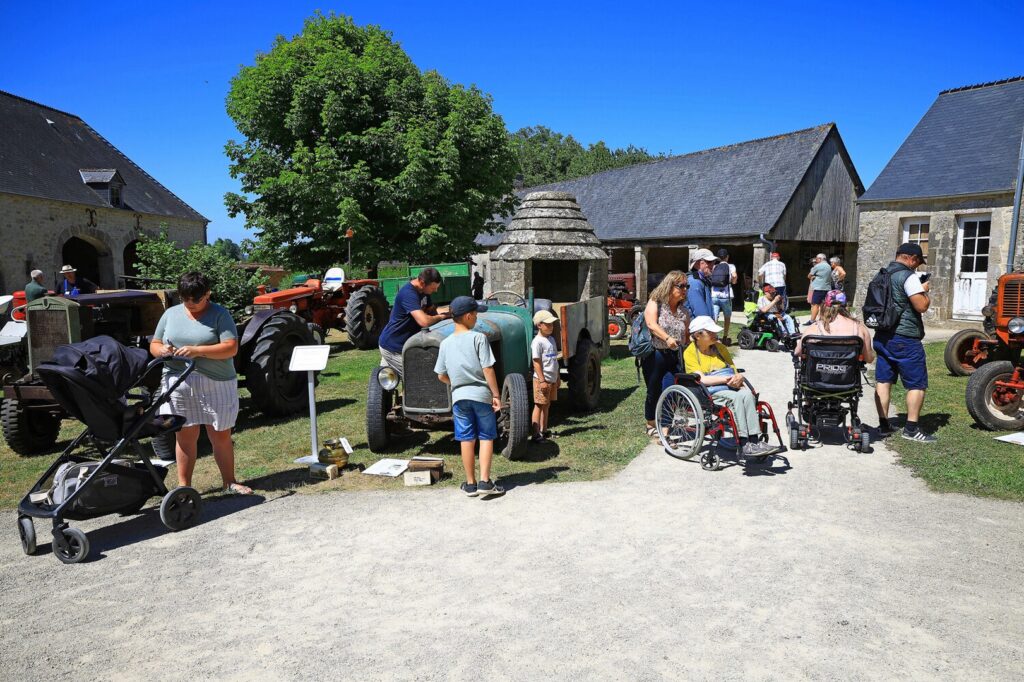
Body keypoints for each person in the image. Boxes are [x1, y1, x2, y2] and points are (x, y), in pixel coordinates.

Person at [150, 271, 252, 495]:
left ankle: (229, 482)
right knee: (184, 435)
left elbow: (231, 348)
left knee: (220, 435)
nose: (191, 303)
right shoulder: (170, 314)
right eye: (185, 298)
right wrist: (162, 350)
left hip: (216, 382)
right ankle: (183, 487)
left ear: (208, 294)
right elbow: (154, 344)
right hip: (179, 382)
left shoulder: (220, 314)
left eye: (196, 299)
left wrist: (198, 351)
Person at [434, 296, 504, 498]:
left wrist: (456, 383)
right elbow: (488, 369)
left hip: (459, 398)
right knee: (486, 436)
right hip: (481, 395)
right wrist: (496, 394)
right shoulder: (478, 338)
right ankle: (485, 481)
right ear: (467, 316)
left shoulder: (445, 343)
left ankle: (470, 484)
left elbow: (440, 375)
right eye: (475, 314)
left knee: (465, 438)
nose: (476, 317)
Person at [683, 316, 776, 457]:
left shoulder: (720, 348)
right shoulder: (690, 353)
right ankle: (744, 443)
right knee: (736, 398)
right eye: (710, 332)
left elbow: (733, 369)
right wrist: (726, 379)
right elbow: (702, 379)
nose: (715, 334)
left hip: (729, 386)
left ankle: (754, 441)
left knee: (747, 395)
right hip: (709, 391)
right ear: (697, 336)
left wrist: (738, 377)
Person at [873, 243, 935, 443]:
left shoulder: (881, 274)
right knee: (917, 384)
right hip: (905, 338)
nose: (917, 266)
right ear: (911, 258)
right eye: (917, 262)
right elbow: (921, 306)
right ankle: (911, 429)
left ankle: (884, 425)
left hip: (882, 335)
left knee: (883, 381)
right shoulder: (908, 277)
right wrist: (924, 291)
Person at [643, 270, 690, 437]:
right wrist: (667, 338)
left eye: (687, 286)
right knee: (653, 391)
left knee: (671, 391)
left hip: (675, 356)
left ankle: (665, 428)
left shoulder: (684, 311)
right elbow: (651, 324)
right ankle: (650, 423)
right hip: (656, 354)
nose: (685, 289)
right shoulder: (655, 303)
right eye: (681, 286)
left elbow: (686, 335)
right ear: (670, 286)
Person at [378, 267, 449, 376]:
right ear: (422, 282)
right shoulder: (408, 294)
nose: (435, 291)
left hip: (406, 344)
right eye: (433, 288)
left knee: (393, 380)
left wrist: (449, 312)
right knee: (418, 379)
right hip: (394, 346)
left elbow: (432, 312)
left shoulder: (424, 292)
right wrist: (442, 317)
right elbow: (424, 321)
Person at [794, 290, 874, 362]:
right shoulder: (859, 328)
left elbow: (797, 352)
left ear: (825, 305)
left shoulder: (814, 328)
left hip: (819, 372)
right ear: (846, 306)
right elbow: (869, 359)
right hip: (848, 372)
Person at [531, 309, 560, 442]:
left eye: (552, 324)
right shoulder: (537, 342)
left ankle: (544, 430)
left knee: (547, 405)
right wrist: (542, 380)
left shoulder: (551, 339)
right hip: (542, 380)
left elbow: (554, 360)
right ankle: (535, 433)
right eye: (548, 324)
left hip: (551, 379)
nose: (551, 327)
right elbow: (536, 363)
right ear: (539, 325)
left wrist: (557, 377)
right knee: (539, 405)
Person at [710, 248, 737, 345]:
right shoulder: (731, 266)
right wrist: (733, 281)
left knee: (714, 317)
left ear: (718, 258)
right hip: (726, 295)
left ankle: (712, 337)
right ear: (727, 257)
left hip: (714, 295)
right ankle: (725, 337)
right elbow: (734, 276)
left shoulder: (714, 267)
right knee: (727, 317)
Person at [685, 248, 718, 320]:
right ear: (698, 263)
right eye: (709, 262)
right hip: (699, 325)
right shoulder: (694, 282)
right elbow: (701, 314)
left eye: (714, 262)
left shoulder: (702, 280)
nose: (712, 265)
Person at [805, 253, 832, 326]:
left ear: (820, 259)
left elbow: (809, 276)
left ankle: (812, 320)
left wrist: (813, 277)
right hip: (827, 288)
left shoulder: (818, 266)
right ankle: (823, 319)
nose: (816, 260)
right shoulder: (829, 266)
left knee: (815, 304)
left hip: (818, 288)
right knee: (824, 305)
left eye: (817, 259)